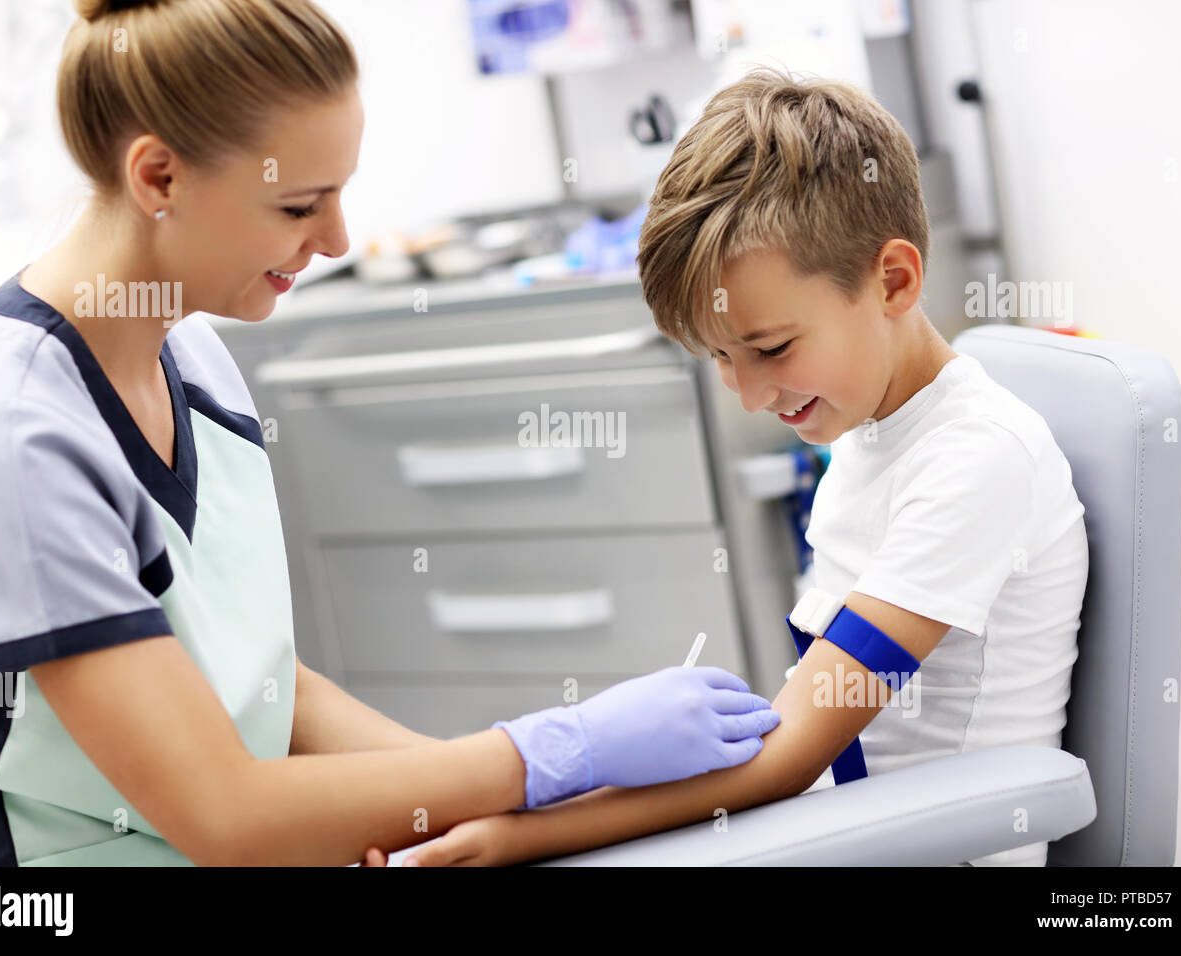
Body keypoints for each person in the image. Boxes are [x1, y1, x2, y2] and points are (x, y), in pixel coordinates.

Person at [0, 0, 782, 867]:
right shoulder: (6, 436)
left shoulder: (196, 362)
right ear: (158, 178)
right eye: (300, 206)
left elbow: (257, 690)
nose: (335, 240)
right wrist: (549, 753)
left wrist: (472, 807)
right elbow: (224, 815)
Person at [383, 68, 1088, 867]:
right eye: (721, 357)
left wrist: (517, 833)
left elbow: (787, 759)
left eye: (772, 349)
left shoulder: (973, 462)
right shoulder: (875, 427)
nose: (751, 393)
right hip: (854, 823)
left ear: (892, 279)